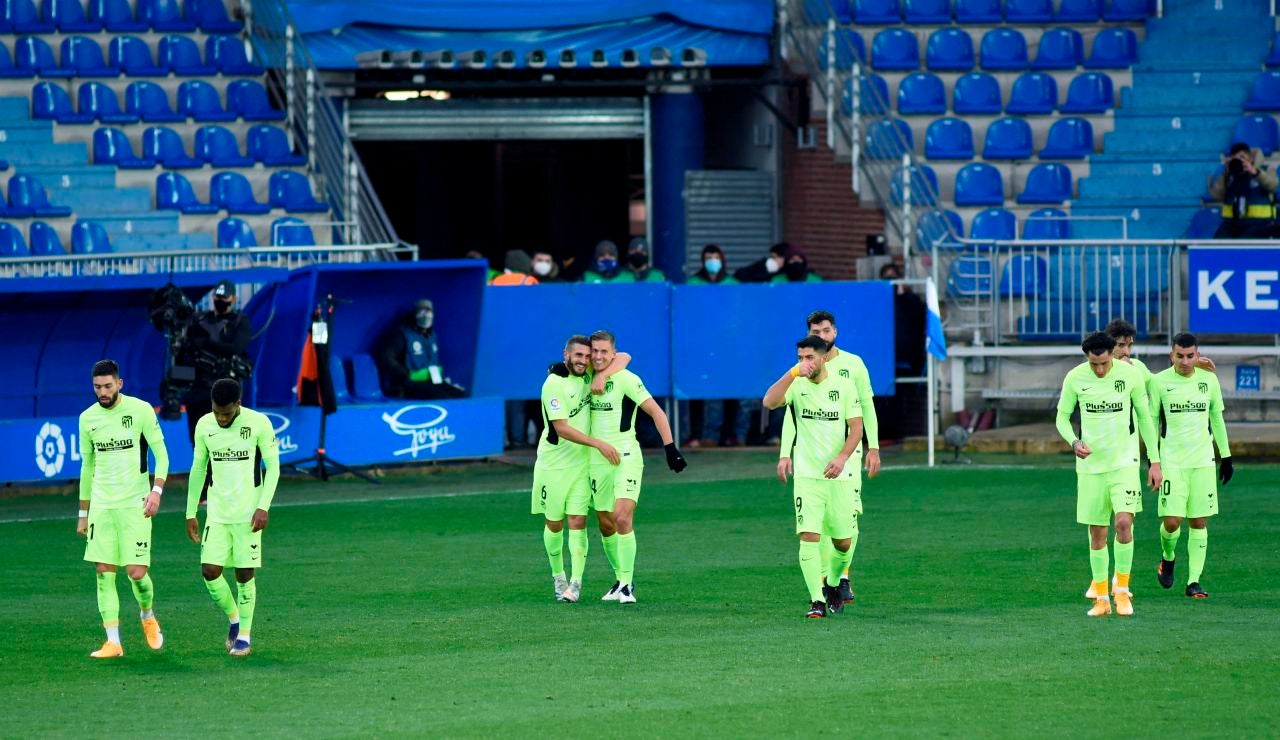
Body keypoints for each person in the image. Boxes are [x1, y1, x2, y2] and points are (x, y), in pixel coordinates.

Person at [1055, 332, 1162, 618]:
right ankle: (1101, 598)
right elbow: (1062, 417)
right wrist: (1074, 442)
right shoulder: (1075, 378)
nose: (1099, 369)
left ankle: (1122, 591)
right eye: (1094, 364)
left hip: (1124, 463)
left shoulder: (1130, 376)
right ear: (1087, 358)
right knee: (1097, 533)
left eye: (1103, 363)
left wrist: (1155, 461)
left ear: (1112, 354)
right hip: (1091, 468)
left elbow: (1144, 418)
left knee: (1124, 523)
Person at [778, 310, 881, 604]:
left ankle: (842, 575)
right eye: (815, 331)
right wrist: (785, 452)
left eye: (825, 331)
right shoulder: (803, 370)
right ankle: (824, 581)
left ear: (834, 332)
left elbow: (866, 407)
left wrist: (873, 446)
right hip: (812, 460)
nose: (820, 336)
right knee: (817, 525)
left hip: (847, 457)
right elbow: (791, 414)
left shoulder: (853, 365)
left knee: (847, 521)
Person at [763, 336, 864, 619]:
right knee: (809, 536)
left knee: (843, 542)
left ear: (823, 358)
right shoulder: (796, 385)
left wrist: (842, 458)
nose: (804, 363)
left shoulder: (844, 387)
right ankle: (816, 600)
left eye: (809, 358)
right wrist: (793, 372)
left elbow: (856, 428)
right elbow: (769, 401)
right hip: (807, 476)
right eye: (800, 358)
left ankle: (833, 582)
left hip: (839, 477)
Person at [77, 359, 170, 659]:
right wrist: (83, 513)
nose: (102, 392)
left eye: (107, 386)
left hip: (135, 504)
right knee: (104, 571)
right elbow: (87, 466)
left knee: (136, 573)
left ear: (120, 383)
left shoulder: (140, 410)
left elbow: (163, 456)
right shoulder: (87, 419)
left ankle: (147, 616)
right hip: (102, 506)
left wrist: (156, 491)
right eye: (97, 387)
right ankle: (113, 642)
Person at [588, 330, 687, 604]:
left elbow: (655, 410)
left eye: (604, 352)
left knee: (622, 517)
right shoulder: (584, 377)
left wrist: (670, 448)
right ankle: (620, 578)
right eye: (594, 351)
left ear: (612, 352)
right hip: (597, 460)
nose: (598, 356)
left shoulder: (627, 379)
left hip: (626, 456)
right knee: (606, 524)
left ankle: (628, 585)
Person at [186, 378, 280, 657]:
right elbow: (198, 469)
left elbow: (273, 467)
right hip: (217, 512)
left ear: (238, 404)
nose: (221, 418)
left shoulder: (259, 423)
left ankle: (245, 637)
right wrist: (191, 511)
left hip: (248, 513)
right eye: (217, 412)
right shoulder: (204, 425)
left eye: (227, 413)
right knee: (209, 571)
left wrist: (264, 506)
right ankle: (234, 618)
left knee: (243, 573)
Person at [532, 336, 623, 603]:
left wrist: (597, 377)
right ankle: (558, 576)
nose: (584, 360)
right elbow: (561, 428)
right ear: (566, 355)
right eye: (579, 356)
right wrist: (597, 443)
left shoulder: (588, 374)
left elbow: (624, 357)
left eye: (587, 356)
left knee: (578, 521)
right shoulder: (553, 384)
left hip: (581, 464)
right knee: (554, 523)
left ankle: (576, 582)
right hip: (553, 464)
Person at [1148, 333, 1233, 599]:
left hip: (1202, 461)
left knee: (1199, 521)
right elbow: (1150, 424)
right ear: (1171, 355)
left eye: (1190, 356)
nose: (1185, 361)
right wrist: (1154, 461)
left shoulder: (1209, 380)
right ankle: (1168, 556)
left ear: (1198, 355)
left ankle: (1194, 581)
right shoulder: (1159, 382)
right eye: (1179, 356)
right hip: (1172, 462)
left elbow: (1217, 420)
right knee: (1172, 522)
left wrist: (1226, 456)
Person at [686, 244, 741, 448]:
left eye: (715, 256)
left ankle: (728, 435)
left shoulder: (732, 282)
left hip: (726, 345)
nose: (712, 260)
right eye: (708, 256)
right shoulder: (692, 283)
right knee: (697, 390)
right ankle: (695, 435)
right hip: (700, 344)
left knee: (730, 388)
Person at [184, 279, 251, 445]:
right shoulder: (200, 321)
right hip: (198, 388)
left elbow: (236, 347)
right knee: (198, 438)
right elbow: (185, 356)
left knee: (224, 440)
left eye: (224, 299)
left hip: (225, 389)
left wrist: (207, 344)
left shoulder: (239, 322)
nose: (219, 302)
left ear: (233, 299)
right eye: (217, 298)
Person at [377, 298, 465, 400]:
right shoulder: (402, 335)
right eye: (421, 312)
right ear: (415, 315)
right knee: (443, 398)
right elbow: (385, 357)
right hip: (410, 384)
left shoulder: (432, 335)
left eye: (428, 311)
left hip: (432, 380)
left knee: (461, 395)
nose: (426, 315)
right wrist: (405, 374)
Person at [1208, 142, 1277, 239]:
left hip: (1260, 222)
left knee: (1244, 242)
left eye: (1242, 157)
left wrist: (1255, 173)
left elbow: (1273, 186)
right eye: (1235, 158)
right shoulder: (1229, 174)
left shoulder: (1266, 170)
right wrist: (1226, 175)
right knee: (1218, 243)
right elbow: (1216, 196)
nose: (1240, 161)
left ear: (1251, 158)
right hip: (1232, 223)